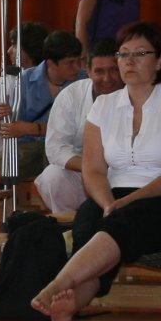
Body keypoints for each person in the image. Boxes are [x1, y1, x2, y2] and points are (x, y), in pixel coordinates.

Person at [28, 21, 161, 321]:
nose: (129, 61)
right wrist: (108, 201)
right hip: (110, 195)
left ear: (159, 60)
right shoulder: (104, 105)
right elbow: (93, 169)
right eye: (124, 54)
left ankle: (59, 284)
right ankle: (72, 304)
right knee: (88, 222)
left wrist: (129, 201)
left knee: (122, 222)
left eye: (140, 53)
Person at [0, 29, 85, 186]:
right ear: (51, 63)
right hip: (28, 145)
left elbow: (78, 128)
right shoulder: (25, 79)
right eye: (70, 63)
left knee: (55, 174)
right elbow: (16, 126)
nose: (77, 67)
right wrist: (7, 116)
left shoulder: (85, 81)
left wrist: (33, 128)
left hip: (67, 146)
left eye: (79, 61)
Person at [36, 38, 123, 215]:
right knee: (52, 176)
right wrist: (93, 168)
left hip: (126, 172)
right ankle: (69, 223)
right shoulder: (71, 95)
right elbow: (56, 148)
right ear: (88, 70)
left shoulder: (136, 95)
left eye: (113, 70)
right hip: (82, 169)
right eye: (99, 71)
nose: (107, 78)